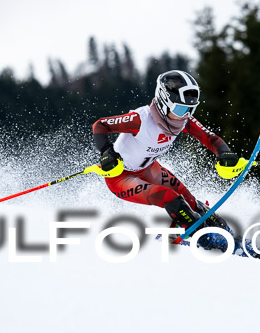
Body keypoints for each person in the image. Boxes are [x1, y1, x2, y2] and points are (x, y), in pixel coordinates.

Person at [91, 70, 244, 248]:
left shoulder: (182, 120)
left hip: (149, 169)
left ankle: (223, 231)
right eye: (181, 108)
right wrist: (106, 151)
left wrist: (224, 153)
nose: (186, 115)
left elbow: (211, 139)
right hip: (120, 177)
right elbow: (100, 125)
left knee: (189, 200)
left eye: (190, 109)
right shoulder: (140, 119)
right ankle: (205, 239)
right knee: (169, 197)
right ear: (164, 102)